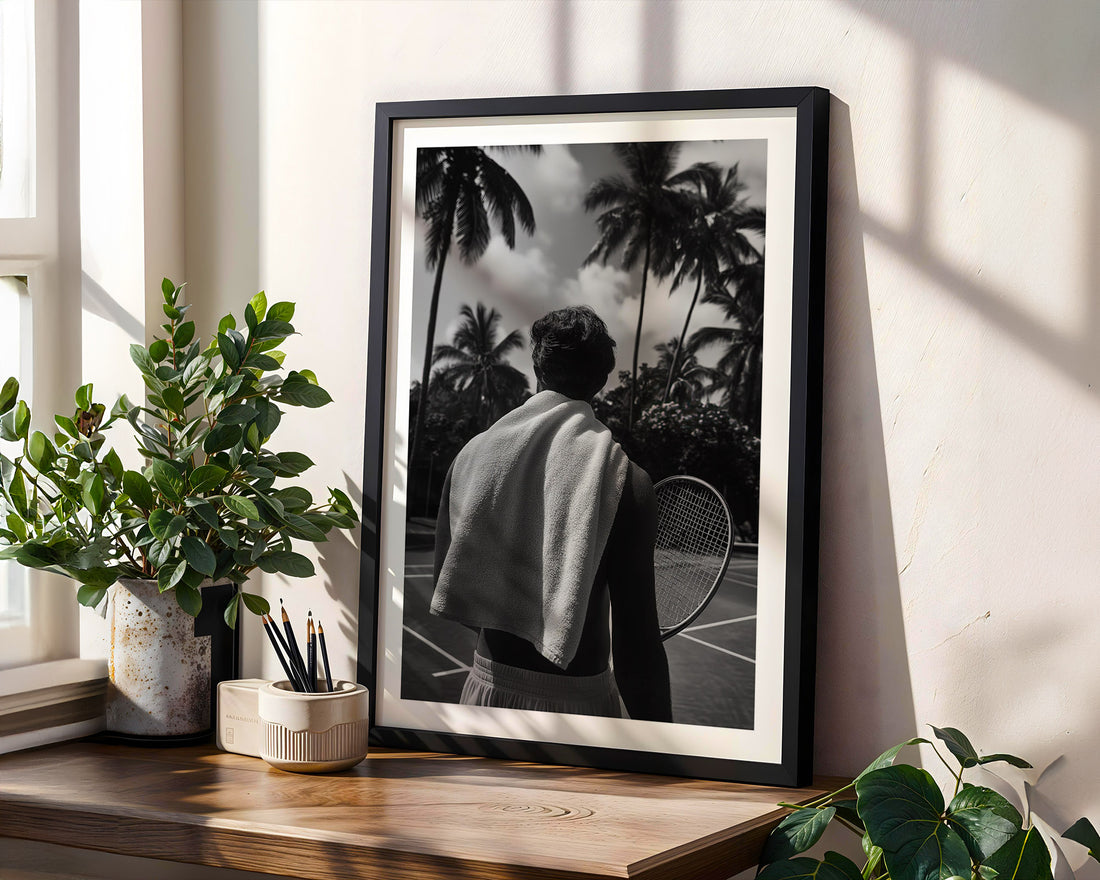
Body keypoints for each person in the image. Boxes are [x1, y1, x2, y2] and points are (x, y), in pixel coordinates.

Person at [430, 306, 672, 722]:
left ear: (537, 368)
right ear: (602, 379)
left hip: (485, 694)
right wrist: (666, 749)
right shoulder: (627, 482)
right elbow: (637, 652)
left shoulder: (469, 458)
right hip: (579, 707)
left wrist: (510, 618)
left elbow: (448, 581)